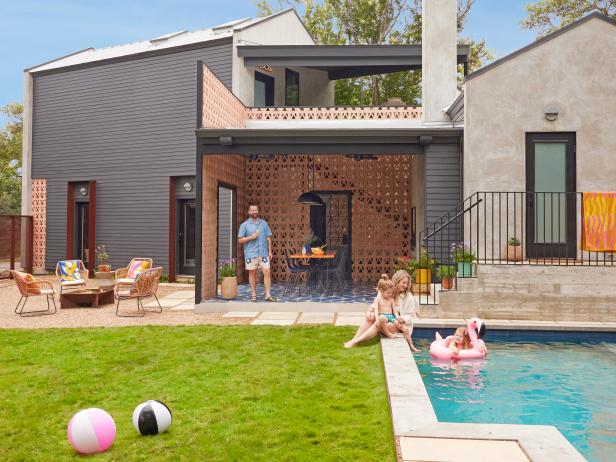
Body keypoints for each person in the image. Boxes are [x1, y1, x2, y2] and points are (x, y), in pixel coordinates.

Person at [344, 270, 419, 352]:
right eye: (404, 282)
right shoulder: (385, 289)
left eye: (407, 283)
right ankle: (354, 339)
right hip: (384, 319)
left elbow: (411, 315)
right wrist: (369, 311)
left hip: (398, 324)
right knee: (370, 318)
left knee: (378, 324)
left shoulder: (408, 297)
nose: (406, 285)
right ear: (397, 281)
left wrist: (403, 318)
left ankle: (355, 342)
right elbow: (375, 304)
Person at [238, 204, 276, 302]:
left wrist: (270, 251)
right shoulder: (244, 225)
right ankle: (253, 294)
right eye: (252, 210)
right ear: (249, 212)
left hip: (263, 253)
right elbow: (240, 240)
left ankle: (267, 294)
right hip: (251, 253)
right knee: (252, 273)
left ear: (258, 211)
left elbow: (268, 238)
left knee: (267, 271)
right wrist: (252, 237)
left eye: (256, 210)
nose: (255, 212)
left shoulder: (264, 223)